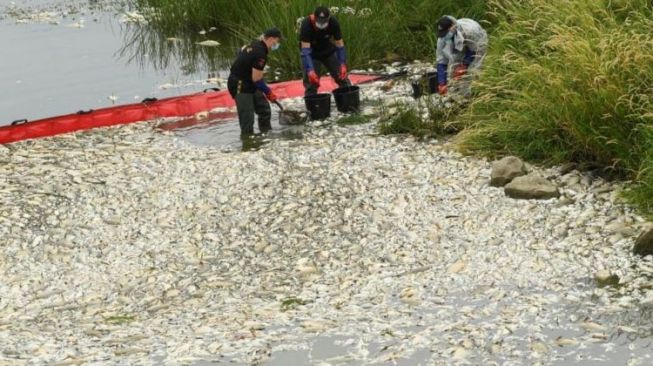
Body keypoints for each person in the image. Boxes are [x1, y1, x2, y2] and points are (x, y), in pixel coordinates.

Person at [227, 28, 282, 135]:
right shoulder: (260, 53)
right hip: (240, 85)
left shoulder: (257, 44)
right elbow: (257, 79)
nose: (278, 44)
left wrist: (265, 91)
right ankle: (248, 143)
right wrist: (268, 91)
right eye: (277, 41)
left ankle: (266, 135)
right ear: (271, 39)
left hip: (250, 82)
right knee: (247, 120)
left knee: (264, 110)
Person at [298, 6, 351, 96]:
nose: (321, 24)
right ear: (314, 18)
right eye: (319, 21)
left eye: (324, 21)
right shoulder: (306, 24)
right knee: (312, 83)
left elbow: (339, 44)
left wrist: (342, 64)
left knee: (342, 77)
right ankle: (312, 106)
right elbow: (305, 50)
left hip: (328, 51)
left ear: (328, 18)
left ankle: (348, 100)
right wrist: (310, 70)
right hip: (312, 54)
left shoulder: (333, 22)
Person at [435, 16, 488, 97]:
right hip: (459, 44)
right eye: (443, 33)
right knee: (453, 70)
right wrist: (442, 83)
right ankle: (457, 94)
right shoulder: (442, 39)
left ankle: (476, 95)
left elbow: (475, 49)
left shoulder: (471, 31)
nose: (445, 35)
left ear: (453, 26)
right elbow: (441, 61)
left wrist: (464, 65)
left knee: (473, 70)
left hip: (477, 42)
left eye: (446, 32)